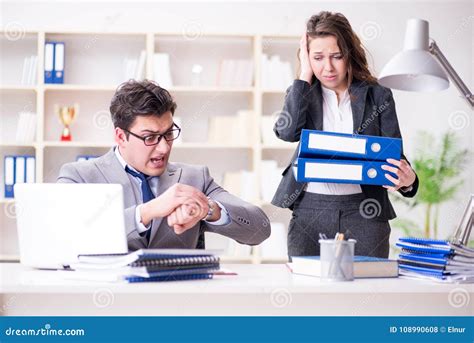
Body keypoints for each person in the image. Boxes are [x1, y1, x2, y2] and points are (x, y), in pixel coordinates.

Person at [58, 79, 270, 250]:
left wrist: (208, 209)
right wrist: (147, 212)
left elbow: (260, 228)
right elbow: (65, 236)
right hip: (110, 298)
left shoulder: (195, 179)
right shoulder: (79, 176)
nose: (164, 148)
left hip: (177, 300)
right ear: (121, 137)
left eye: (168, 134)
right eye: (149, 137)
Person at [272, 11, 419, 258]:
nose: (327, 67)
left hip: (365, 211)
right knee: (308, 291)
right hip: (310, 209)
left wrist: (409, 180)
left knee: (369, 286)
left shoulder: (377, 95)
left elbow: (392, 156)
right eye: (317, 57)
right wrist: (304, 76)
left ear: (349, 54)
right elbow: (287, 133)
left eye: (336, 56)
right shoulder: (301, 92)